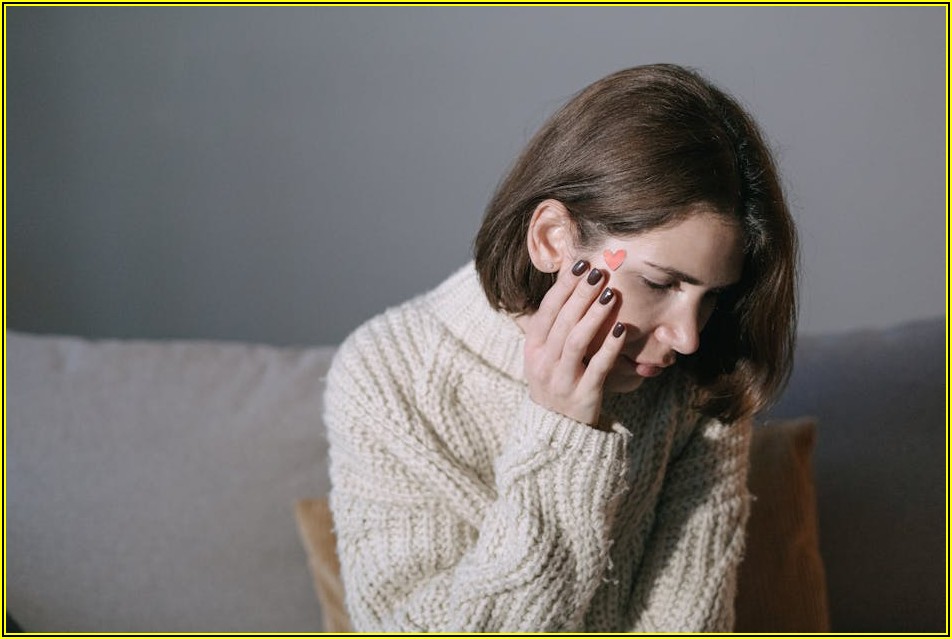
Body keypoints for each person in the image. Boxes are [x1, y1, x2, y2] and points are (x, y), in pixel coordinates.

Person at [323, 63, 798, 632]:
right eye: (658, 282)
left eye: (711, 297)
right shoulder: (387, 374)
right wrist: (561, 431)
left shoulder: (702, 381)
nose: (688, 336)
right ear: (552, 238)